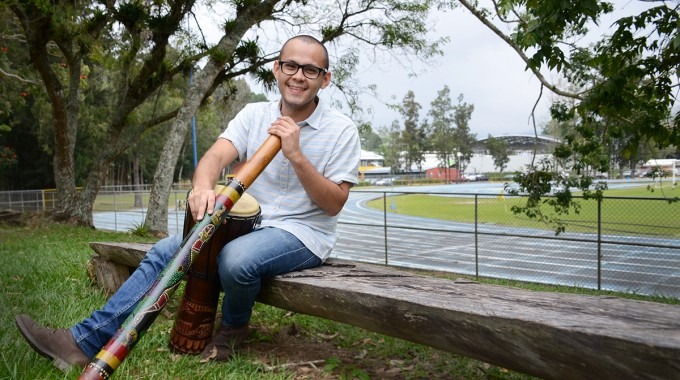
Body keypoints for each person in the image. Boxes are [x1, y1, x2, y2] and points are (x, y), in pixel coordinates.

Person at [15, 34, 361, 371]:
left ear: (325, 79)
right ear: (276, 68)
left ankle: (233, 331)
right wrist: (202, 187)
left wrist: (297, 156)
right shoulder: (255, 114)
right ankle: (81, 342)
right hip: (250, 223)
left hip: (304, 232)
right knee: (167, 249)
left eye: (310, 70)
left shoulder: (341, 129)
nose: (298, 76)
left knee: (236, 259)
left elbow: (333, 204)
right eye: (290, 65)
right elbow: (214, 157)